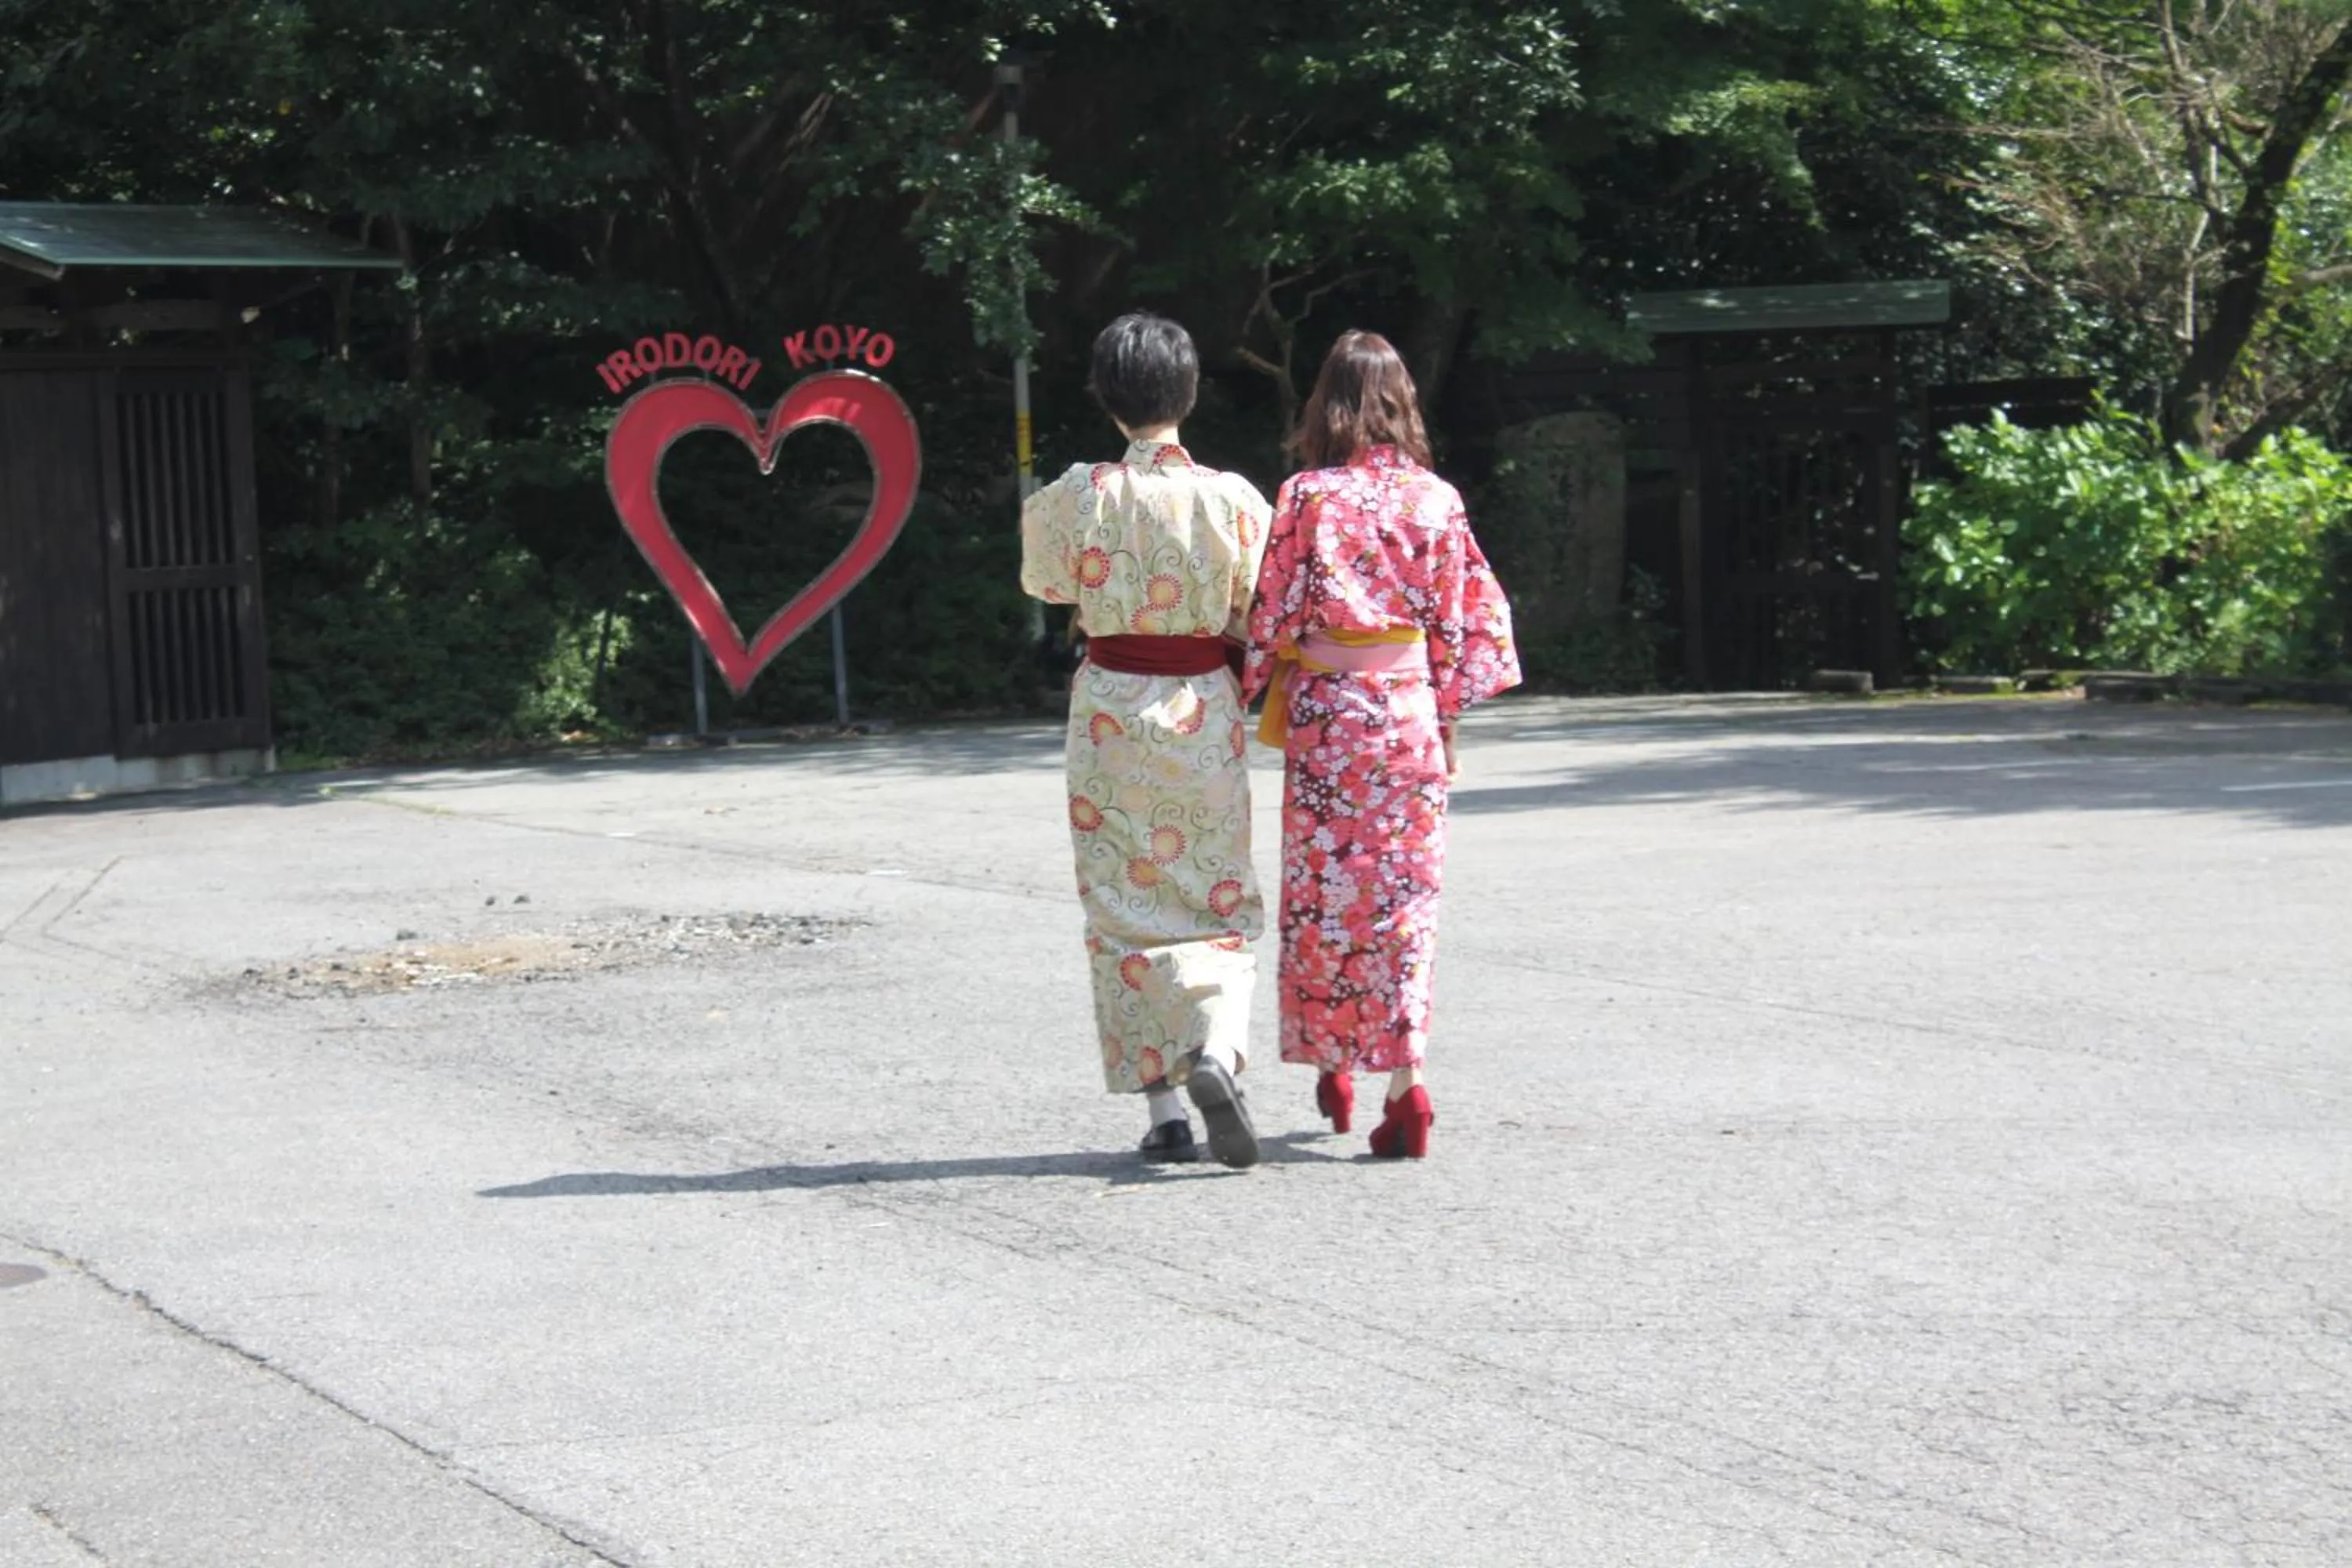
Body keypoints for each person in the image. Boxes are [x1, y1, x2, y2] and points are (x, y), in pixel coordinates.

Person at [1242, 329, 1521, 1160]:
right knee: (1403, 904)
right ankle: (1407, 1082)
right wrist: (1448, 729)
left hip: (1329, 720)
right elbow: (1463, 629)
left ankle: (1332, 1059)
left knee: (1325, 893)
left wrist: (1239, 688)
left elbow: (1270, 619)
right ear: (1401, 402)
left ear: (1325, 403)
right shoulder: (1438, 500)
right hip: (1405, 717)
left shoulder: (1305, 496)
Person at [1021, 312, 1273, 1168]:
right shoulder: (1233, 498)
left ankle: (1164, 1108)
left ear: (1105, 396)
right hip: (1201, 706)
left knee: (1123, 905)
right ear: (1191, 391)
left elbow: (1045, 580)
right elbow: (1260, 606)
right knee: (1218, 897)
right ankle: (1219, 1049)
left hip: (1108, 713)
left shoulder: (1078, 493)